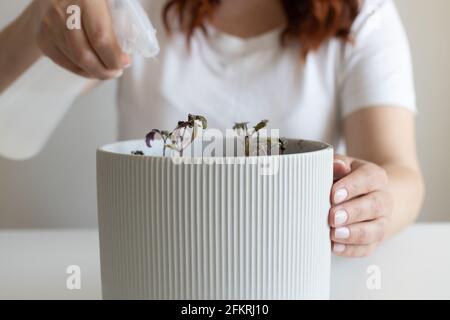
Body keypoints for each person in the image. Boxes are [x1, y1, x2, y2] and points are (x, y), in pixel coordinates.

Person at [0, 0, 424, 257]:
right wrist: (38, 17)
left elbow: (397, 169)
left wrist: (374, 206)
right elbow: (12, 107)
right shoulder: (133, 10)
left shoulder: (363, 14)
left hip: (283, 273)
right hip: (153, 272)